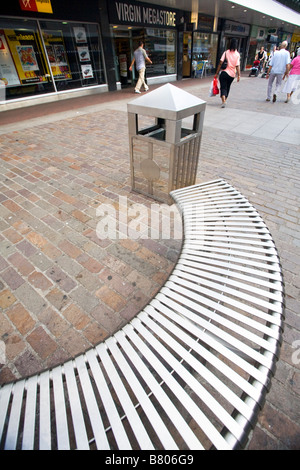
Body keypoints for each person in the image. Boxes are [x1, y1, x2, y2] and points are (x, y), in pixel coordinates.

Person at [214, 38, 240, 108]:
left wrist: (216, 73)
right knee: (228, 87)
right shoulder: (237, 54)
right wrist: (239, 75)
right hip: (232, 74)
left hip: (224, 72)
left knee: (223, 87)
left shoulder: (226, 52)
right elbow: (237, 66)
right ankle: (224, 100)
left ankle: (223, 101)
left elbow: (220, 63)